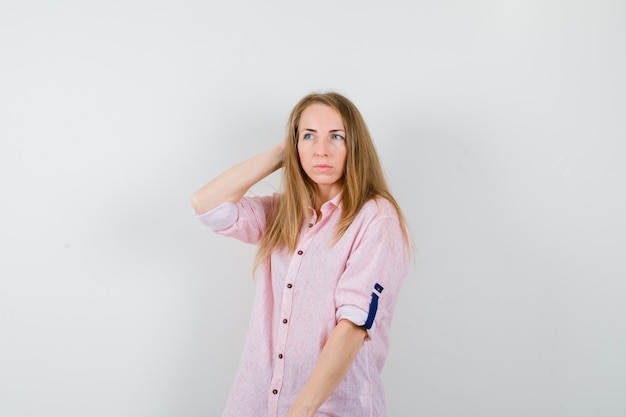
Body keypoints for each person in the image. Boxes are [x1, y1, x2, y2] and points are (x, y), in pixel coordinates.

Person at [191, 92, 411, 417]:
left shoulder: (376, 218)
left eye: (337, 136)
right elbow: (206, 205)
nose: (321, 149)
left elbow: (352, 326)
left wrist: (300, 411)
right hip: (259, 402)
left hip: (329, 408)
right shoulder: (284, 212)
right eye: (309, 136)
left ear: (356, 146)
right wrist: (282, 153)